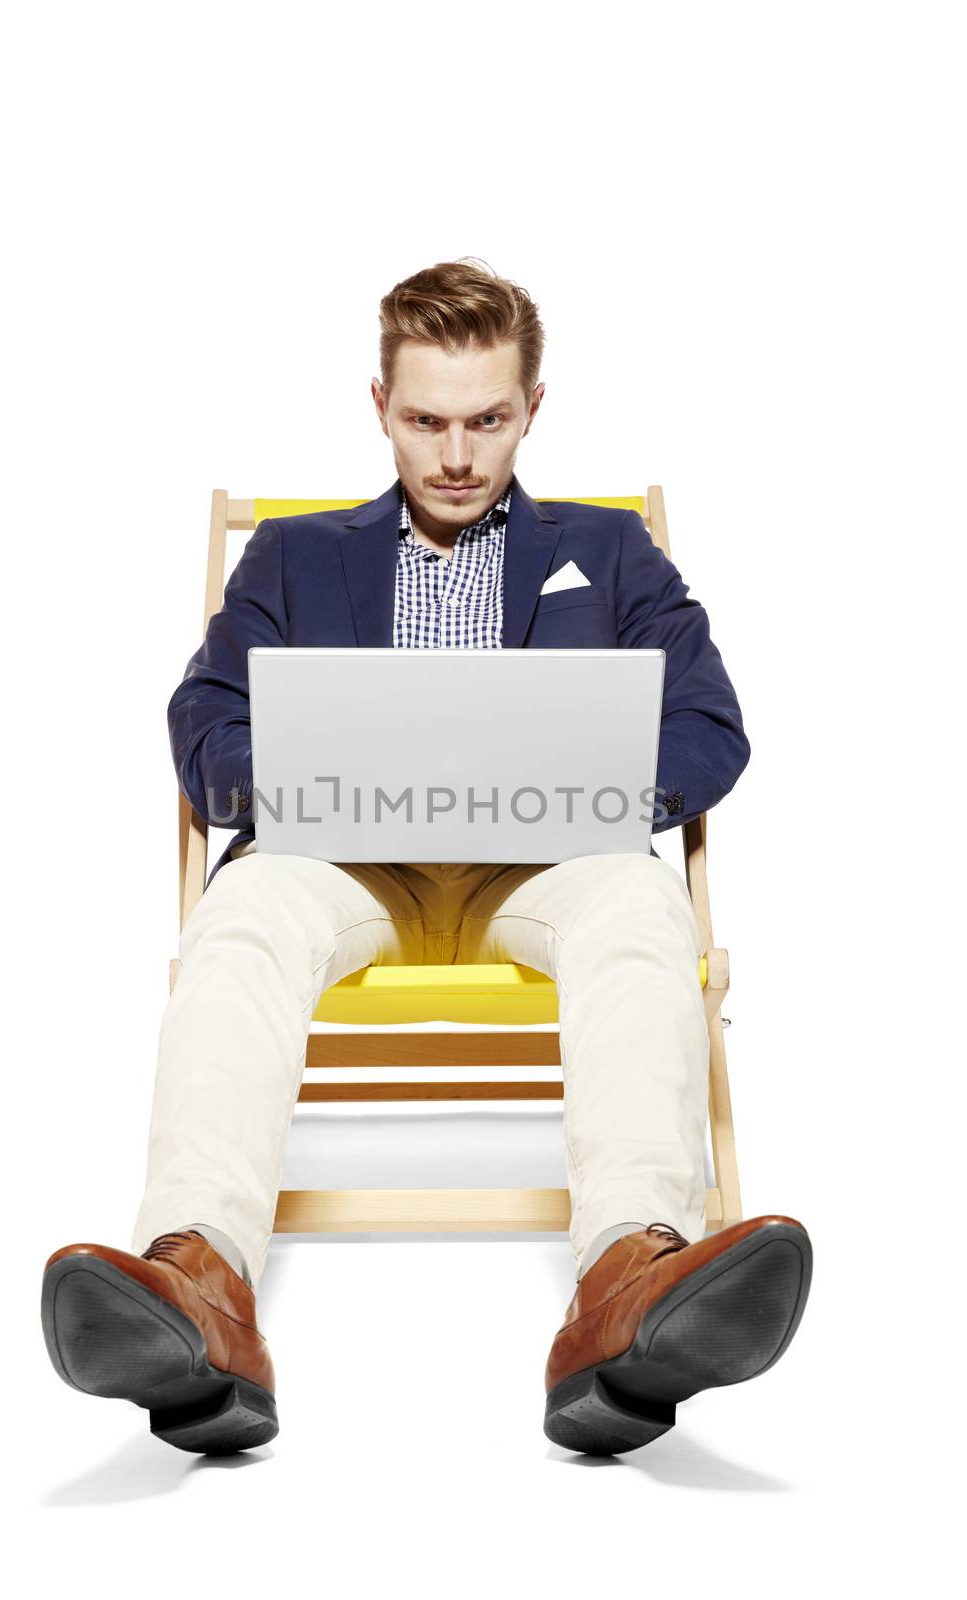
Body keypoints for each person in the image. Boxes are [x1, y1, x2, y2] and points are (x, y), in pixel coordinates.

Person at [41, 257, 812, 1459]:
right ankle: (195, 1283)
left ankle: (628, 1281)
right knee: (237, 916)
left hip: (544, 863)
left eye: (487, 420)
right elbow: (205, 721)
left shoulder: (607, 558)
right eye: (426, 421)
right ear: (379, 406)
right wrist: (295, 786)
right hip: (347, 863)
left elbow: (709, 727)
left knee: (639, 908)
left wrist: (589, 785)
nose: (456, 454)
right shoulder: (294, 559)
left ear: (533, 408)